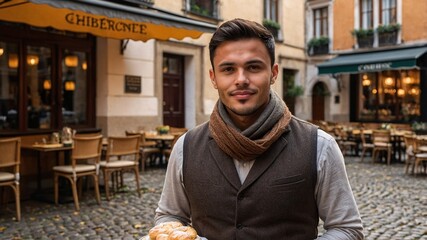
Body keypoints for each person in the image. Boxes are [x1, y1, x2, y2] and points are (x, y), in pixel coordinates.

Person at [153, 18, 364, 239]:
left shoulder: (319, 146)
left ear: (273, 73)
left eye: (253, 67)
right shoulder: (186, 147)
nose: (241, 79)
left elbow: (347, 229)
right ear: (214, 77)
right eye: (228, 69)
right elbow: (169, 216)